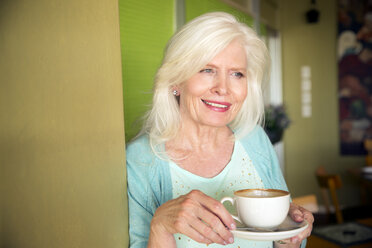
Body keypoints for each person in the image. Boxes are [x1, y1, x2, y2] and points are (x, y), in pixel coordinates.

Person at [126, 12, 314, 248]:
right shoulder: (141, 158)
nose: (223, 88)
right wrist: (161, 227)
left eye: (237, 74)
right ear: (175, 80)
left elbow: (285, 240)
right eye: (207, 70)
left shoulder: (254, 139)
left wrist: (291, 233)